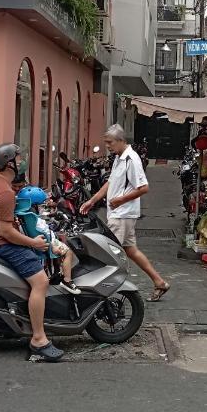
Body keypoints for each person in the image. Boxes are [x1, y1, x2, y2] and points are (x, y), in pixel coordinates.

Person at [0, 143, 63, 363]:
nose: (23, 159)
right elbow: (6, 232)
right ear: (9, 163)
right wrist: (33, 243)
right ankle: (39, 339)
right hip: (2, 244)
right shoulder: (4, 192)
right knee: (41, 282)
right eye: (19, 157)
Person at [80, 124, 170, 302]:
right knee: (131, 250)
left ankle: (108, 291)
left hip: (122, 214)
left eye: (110, 142)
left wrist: (120, 200)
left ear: (121, 141)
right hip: (120, 213)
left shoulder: (131, 159)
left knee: (108, 253)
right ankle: (159, 282)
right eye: (106, 142)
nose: (107, 146)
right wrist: (92, 200)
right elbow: (110, 183)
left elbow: (144, 188)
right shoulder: (119, 157)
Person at [14, 185, 82, 295]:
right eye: (40, 205)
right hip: (47, 243)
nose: (42, 207)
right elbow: (46, 231)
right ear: (34, 206)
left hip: (32, 244)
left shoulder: (23, 217)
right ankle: (67, 280)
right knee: (68, 253)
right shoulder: (36, 220)